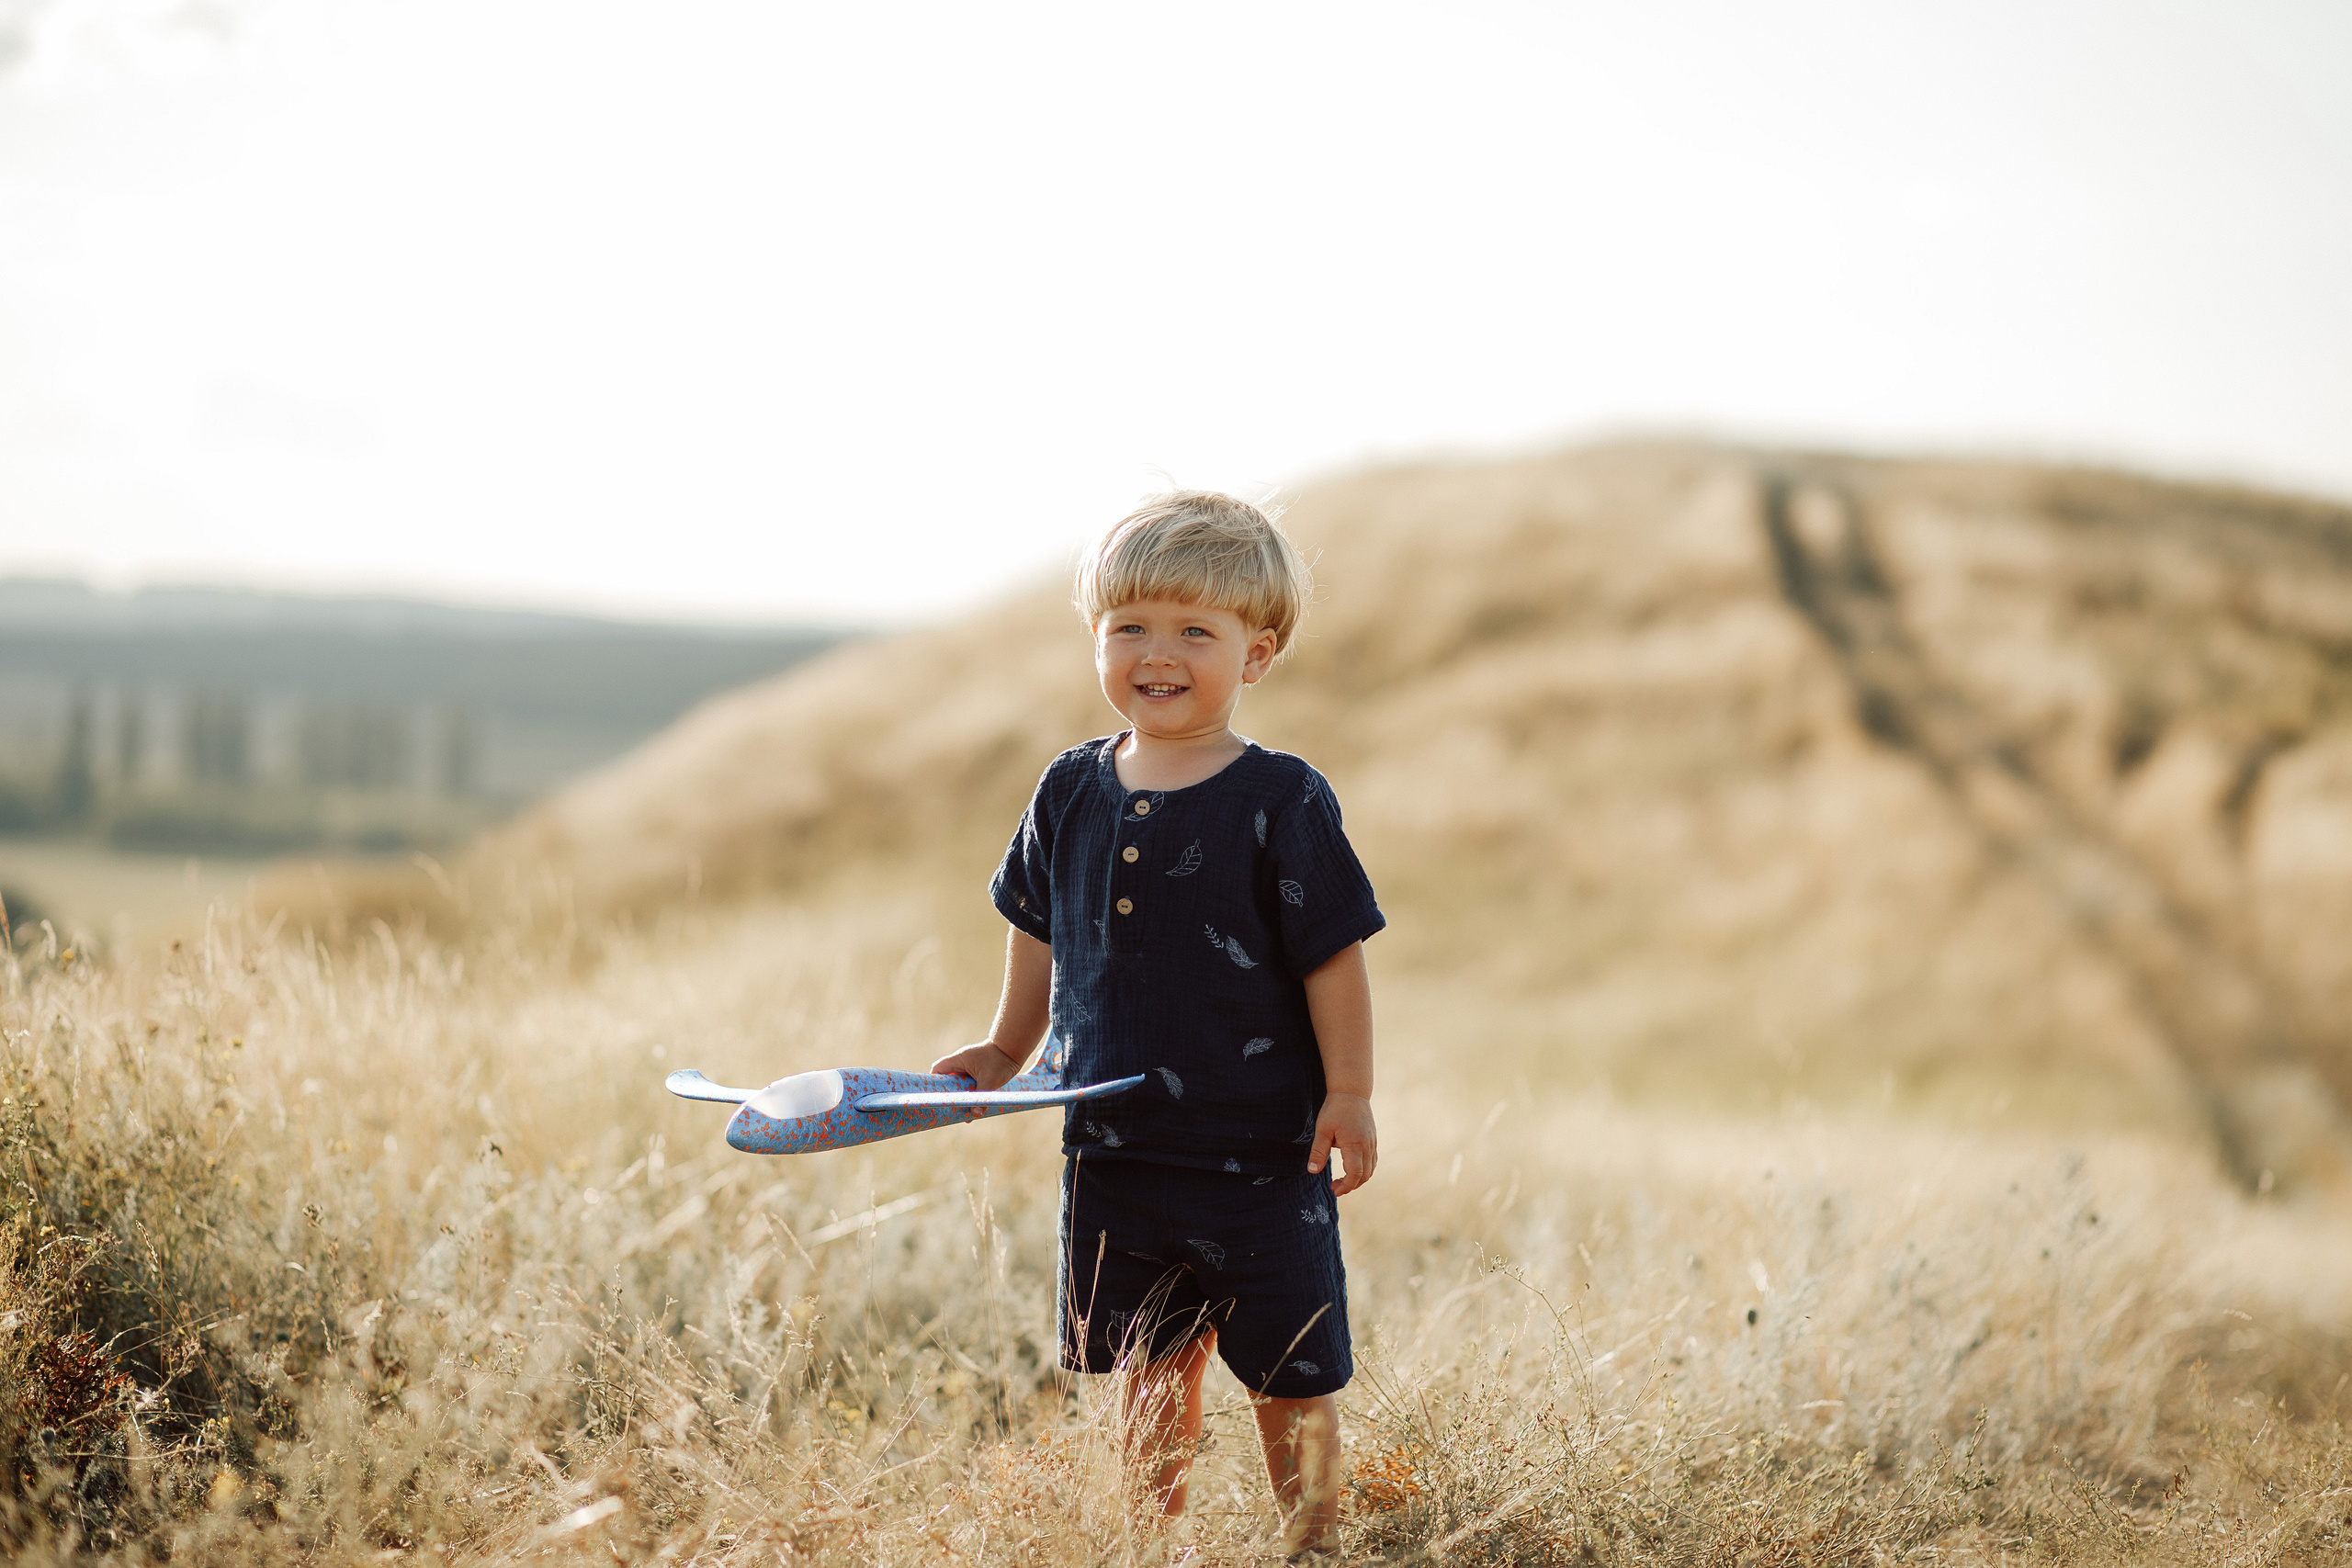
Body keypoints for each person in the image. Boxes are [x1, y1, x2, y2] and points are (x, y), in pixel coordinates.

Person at [932, 491, 1384, 1558]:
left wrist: (1349, 1093)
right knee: (1145, 1367)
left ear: (1255, 654)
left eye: (1195, 630)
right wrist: (1006, 1048)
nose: (1157, 652)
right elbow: (1034, 928)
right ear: (1096, 637)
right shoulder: (1068, 790)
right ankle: (1155, 1541)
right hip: (1112, 1149)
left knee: (1291, 1369)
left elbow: (1333, 954)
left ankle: (1310, 1541)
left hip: (1259, 1154)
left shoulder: (1281, 797)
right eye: (1128, 625)